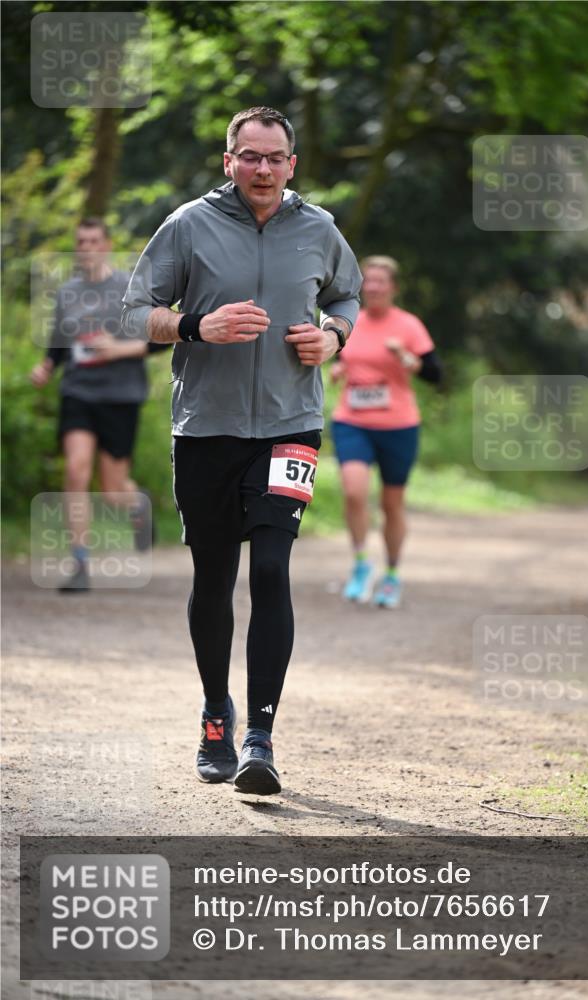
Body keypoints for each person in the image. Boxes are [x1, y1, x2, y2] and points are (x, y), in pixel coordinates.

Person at [121, 106, 361, 795]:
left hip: (291, 423)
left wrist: (333, 339)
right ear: (227, 162)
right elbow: (135, 312)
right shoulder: (187, 226)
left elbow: (344, 300)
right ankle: (214, 714)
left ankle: (259, 735)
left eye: (274, 157)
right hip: (206, 427)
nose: (261, 168)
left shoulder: (319, 229)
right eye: (248, 156)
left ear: (292, 164)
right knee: (214, 577)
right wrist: (197, 324)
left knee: (272, 570)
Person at [30, 218, 167, 592]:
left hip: (122, 396)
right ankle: (79, 563)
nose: (86, 247)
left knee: (112, 489)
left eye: (93, 241)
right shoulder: (67, 292)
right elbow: (59, 345)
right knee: (75, 471)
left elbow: (162, 339)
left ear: (107, 245)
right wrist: (46, 366)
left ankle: (138, 507)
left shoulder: (129, 288)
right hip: (78, 393)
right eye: (80, 241)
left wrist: (118, 349)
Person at [331, 255, 442, 609]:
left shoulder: (408, 326)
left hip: (398, 424)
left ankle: (392, 575)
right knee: (353, 492)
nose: (374, 287)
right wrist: (337, 371)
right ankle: (362, 564)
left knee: (392, 504)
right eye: (369, 281)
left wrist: (408, 358)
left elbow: (435, 374)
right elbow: (341, 358)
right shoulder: (349, 322)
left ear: (392, 287)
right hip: (352, 420)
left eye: (381, 281)